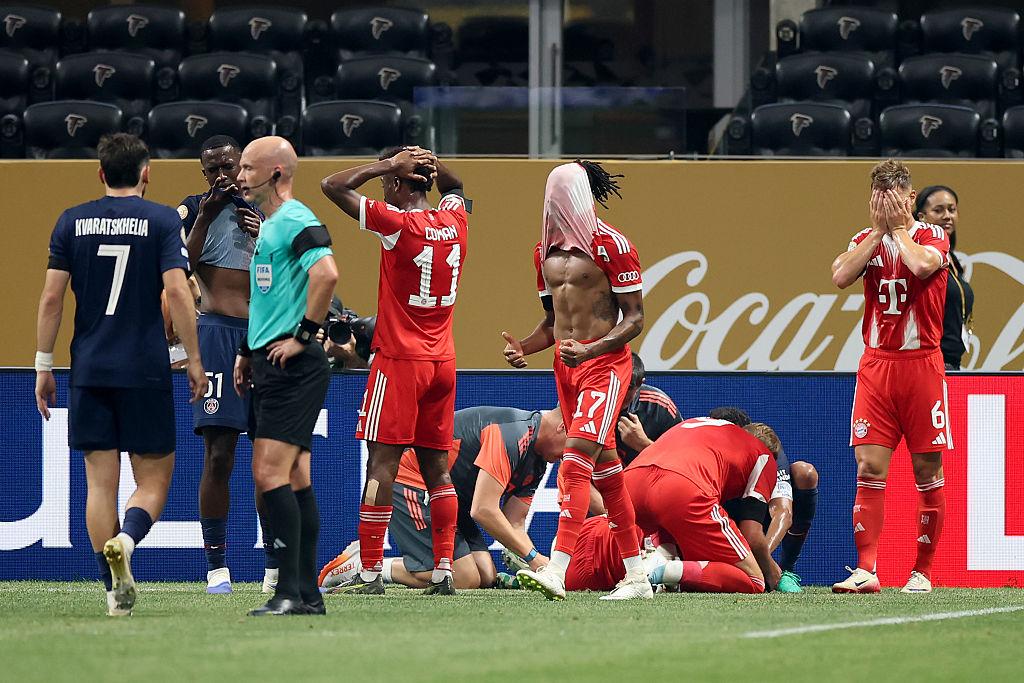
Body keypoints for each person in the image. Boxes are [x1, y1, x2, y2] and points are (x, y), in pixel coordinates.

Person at [33, 133, 207, 616]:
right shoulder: (162, 221)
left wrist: (43, 365)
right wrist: (194, 359)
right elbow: (179, 293)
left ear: (101, 173)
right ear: (146, 173)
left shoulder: (71, 221)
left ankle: (113, 593)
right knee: (153, 481)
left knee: (99, 485)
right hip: (144, 368)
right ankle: (127, 541)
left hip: (89, 368)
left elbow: (51, 299)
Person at [320, 146, 469, 595]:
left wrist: (386, 164)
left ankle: (369, 572)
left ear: (399, 182)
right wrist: (431, 162)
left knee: (381, 464)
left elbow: (332, 186)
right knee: (437, 470)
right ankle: (444, 569)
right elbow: (457, 186)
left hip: (401, 362)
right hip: (443, 361)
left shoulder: (397, 224)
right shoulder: (455, 220)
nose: (384, 186)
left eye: (389, 181)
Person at [502, 160, 649, 601]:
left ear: (580, 196)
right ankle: (638, 576)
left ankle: (557, 568)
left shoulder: (613, 245)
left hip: (605, 366)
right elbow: (552, 324)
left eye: (562, 192)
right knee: (608, 473)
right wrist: (524, 347)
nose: (554, 201)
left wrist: (591, 350)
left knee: (575, 457)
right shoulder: (542, 253)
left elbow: (635, 318)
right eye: (551, 193)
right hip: (566, 369)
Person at [830, 159, 950, 594]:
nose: (883, 206)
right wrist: (879, 231)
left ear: (910, 198)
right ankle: (866, 570)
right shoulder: (864, 239)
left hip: (922, 366)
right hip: (877, 366)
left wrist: (898, 229)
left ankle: (923, 571)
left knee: (927, 469)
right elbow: (840, 276)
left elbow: (921, 267)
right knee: (868, 466)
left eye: (893, 198)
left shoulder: (932, 235)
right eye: (877, 199)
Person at [233, 136, 337, 616]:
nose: (240, 177)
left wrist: (304, 335)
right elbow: (267, 299)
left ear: (276, 172)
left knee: (268, 474)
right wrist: (245, 351)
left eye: (248, 168)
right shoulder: (272, 225)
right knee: (294, 476)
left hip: (293, 366)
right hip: (269, 361)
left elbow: (327, 274)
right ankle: (307, 594)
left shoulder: (295, 218)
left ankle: (289, 592)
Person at [176, 135, 277, 595]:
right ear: (203, 174)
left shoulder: (269, 208)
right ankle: (217, 567)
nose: (222, 176)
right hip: (218, 333)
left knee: (269, 458)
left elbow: (296, 270)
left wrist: (266, 234)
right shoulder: (193, 209)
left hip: (265, 337)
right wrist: (206, 214)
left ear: (243, 166)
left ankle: (273, 566)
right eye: (212, 169)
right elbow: (181, 267)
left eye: (229, 166)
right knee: (219, 454)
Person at [319, 406, 565, 590]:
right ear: (563, 427)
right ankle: (364, 566)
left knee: (486, 575)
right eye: (573, 446)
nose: (569, 456)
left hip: (451, 501)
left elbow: (515, 522)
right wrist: (536, 560)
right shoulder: (512, 433)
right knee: (464, 578)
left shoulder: (539, 462)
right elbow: (483, 509)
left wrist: (535, 566)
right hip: (412, 481)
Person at [625, 418, 780, 594]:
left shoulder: (703, 425)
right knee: (754, 581)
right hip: (681, 490)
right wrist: (771, 571)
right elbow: (752, 534)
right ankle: (662, 570)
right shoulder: (764, 456)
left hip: (631, 483)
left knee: (670, 531)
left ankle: (661, 562)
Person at [710, 407, 819, 594]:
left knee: (804, 472)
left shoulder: (765, 449)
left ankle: (786, 569)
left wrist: (763, 561)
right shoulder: (707, 453)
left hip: (756, 520)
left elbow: (783, 512)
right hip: (719, 518)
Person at [915, 185, 975, 371]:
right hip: (928, 364)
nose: (947, 216)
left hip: (951, 364)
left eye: (952, 209)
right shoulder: (920, 259)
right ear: (921, 217)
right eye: (938, 210)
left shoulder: (953, 259)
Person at [615, 353, 682, 466]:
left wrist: (642, 444)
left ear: (640, 384)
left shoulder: (660, 405)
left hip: (647, 474)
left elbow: (681, 461)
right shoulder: (589, 401)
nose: (619, 393)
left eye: (628, 387)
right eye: (615, 385)